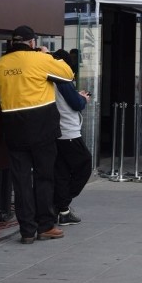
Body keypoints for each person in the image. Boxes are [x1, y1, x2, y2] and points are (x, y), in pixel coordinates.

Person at [0, 25, 74, 244]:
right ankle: (45, 226)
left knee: (21, 180)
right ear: (32, 42)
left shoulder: (0, 64)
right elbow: (68, 73)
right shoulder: (39, 59)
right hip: (42, 124)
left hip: (12, 126)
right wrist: (48, 56)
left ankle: (27, 230)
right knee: (44, 176)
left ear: (12, 42)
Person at [50, 50, 92, 226]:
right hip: (68, 132)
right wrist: (82, 98)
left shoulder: (47, 78)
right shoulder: (61, 78)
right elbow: (76, 104)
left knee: (61, 171)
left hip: (55, 132)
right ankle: (60, 202)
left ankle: (63, 211)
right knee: (84, 165)